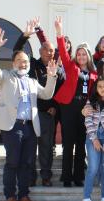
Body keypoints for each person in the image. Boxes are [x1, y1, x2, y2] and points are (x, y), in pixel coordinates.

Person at [0, 28, 57, 201]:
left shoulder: (33, 82)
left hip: (30, 127)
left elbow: (48, 94)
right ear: (13, 63)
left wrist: (51, 76)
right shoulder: (5, 77)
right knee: (13, 162)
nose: (23, 64)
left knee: (27, 163)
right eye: (19, 61)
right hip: (12, 127)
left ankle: (24, 195)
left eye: (25, 61)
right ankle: (10, 195)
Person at [13, 18, 65, 187]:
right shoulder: (31, 64)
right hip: (30, 113)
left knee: (46, 147)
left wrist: (54, 108)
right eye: (46, 50)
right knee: (29, 147)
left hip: (46, 114)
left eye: (52, 51)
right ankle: (30, 176)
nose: (50, 53)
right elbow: (17, 50)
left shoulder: (56, 68)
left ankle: (46, 176)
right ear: (40, 51)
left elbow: (59, 92)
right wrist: (26, 35)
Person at [53, 16, 98, 187]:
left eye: (83, 54)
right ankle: (66, 177)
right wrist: (59, 32)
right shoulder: (71, 67)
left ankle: (78, 176)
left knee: (81, 144)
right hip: (69, 108)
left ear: (88, 56)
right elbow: (64, 52)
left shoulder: (94, 74)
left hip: (85, 110)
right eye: (78, 54)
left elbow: (95, 94)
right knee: (68, 143)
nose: (80, 56)